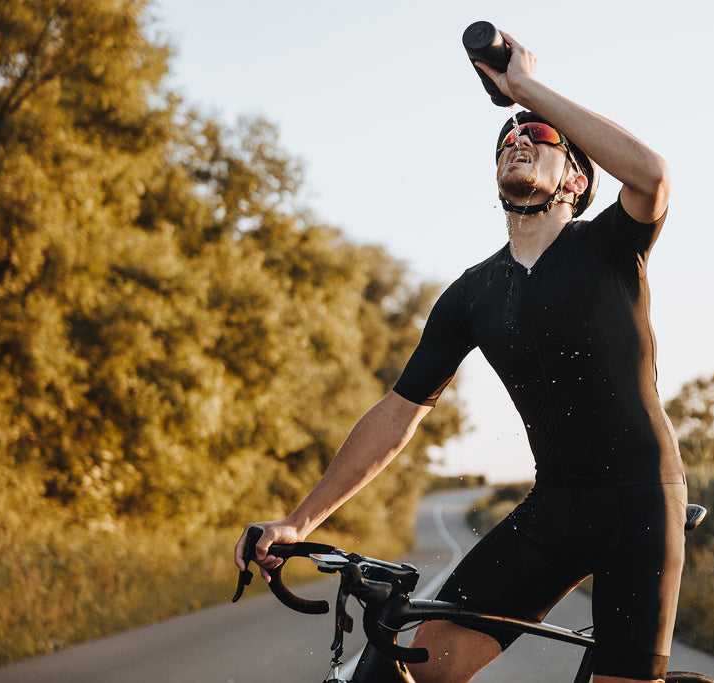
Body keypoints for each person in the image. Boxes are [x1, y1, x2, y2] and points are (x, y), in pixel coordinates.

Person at [235, 30, 684, 683]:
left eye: (541, 135)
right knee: (402, 669)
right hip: (555, 503)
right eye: (505, 138)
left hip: (640, 503)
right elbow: (396, 416)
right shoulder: (476, 293)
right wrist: (299, 520)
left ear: (577, 180)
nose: (518, 138)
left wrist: (525, 88)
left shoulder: (611, 247)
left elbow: (652, 174)